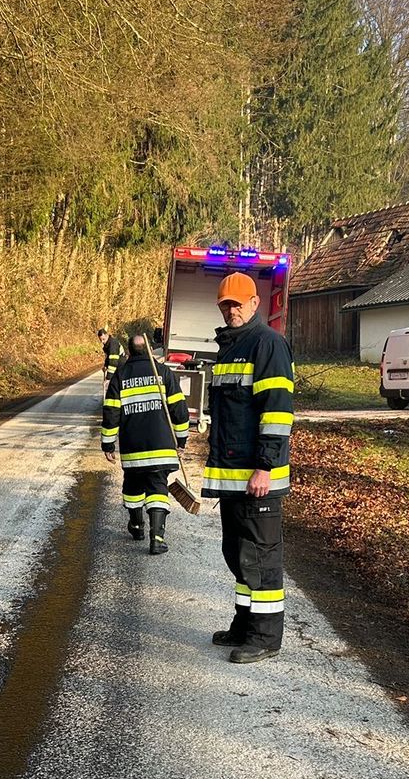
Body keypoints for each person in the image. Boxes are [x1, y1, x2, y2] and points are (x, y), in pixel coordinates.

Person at [202, 272, 294, 664]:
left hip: (257, 478)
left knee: (261, 558)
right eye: (225, 305)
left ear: (255, 303)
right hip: (232, 477)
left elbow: (276, 413)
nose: (231, 310)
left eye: (237, 304)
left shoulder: (268, 344)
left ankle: (266, 637)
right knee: (237, 553)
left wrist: (265, 467)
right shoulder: (230, 347)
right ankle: (245, 624)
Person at [101, 326, 189, 554]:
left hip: (133, 449)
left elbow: (111, 413)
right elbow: (179, 409)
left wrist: (108, 444)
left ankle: (137, 526)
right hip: (162, 447)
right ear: (149, 348)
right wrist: (181, 440)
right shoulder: (164, 373)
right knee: (158, 486)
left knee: (132, 485)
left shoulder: (120, 376)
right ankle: (157, 538)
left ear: (128, 352)